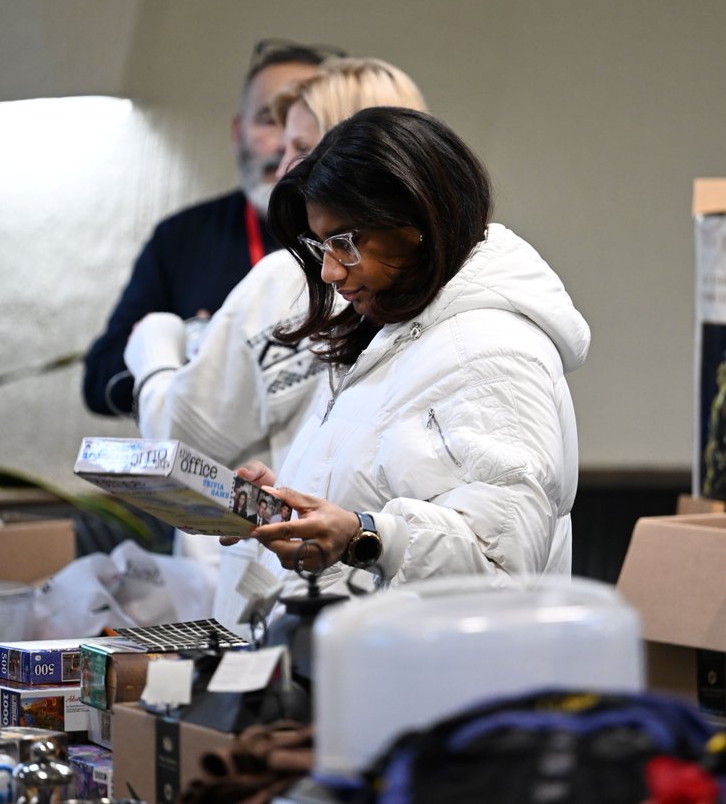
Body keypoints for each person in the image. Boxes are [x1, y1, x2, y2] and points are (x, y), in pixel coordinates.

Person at [234, 106, 591, 598]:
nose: (330, 273)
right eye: (323, 247)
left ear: (418, 221)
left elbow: (502, 565)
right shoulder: (398, 335)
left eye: (346, 242)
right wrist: (293, 503)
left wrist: (363, 536)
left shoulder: (488, 352)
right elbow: (391, 489)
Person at [126, 58, 427, 472]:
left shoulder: (289, 278)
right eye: (285, 147)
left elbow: (179, 439)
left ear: (360, 151)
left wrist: (155, 344)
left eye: (302, 149)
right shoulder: (444, 267)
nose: (285, 168)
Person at [82, 40, 342, 417]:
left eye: (302, 128)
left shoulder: (357, 240)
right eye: (269, 120)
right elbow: (100, 379)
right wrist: (188, 351)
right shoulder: (181, 237)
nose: (284, 146)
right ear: (238, 131)